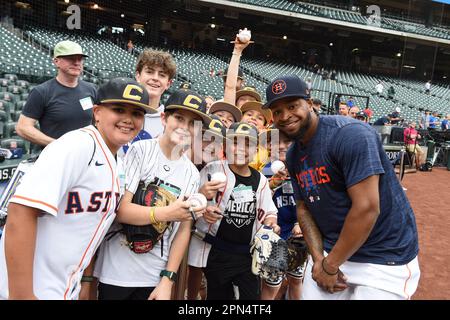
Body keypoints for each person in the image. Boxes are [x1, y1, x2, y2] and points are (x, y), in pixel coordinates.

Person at [263, 75, 420, 300]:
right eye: (277, 111)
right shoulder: (294, 154)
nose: (285, 116)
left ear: (309, 102)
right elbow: (304, 209)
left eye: (292, 106)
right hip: (332, 251)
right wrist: (319, 261)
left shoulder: (350, 134)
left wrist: (329, 266)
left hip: (384, 256)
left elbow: (366, 208)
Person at [0, 78, 152, 299]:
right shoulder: (76, 146)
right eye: (119, 109)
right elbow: (20, 212)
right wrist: (22, 295)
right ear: (97, 112)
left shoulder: (118, 160)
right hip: (30, 287)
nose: (128, 119)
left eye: (137, 113)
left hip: (63, 285)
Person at [93, 89, 210, 300]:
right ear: (164, 117)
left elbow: (183, 230)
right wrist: (167, 212)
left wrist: (168, 279)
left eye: (193, 123)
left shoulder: (192, 172)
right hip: (116, 270)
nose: (185, 127)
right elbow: (120, 210)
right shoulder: (141, 150)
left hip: (154, 274)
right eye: (179, 118)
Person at [188, 122, 279, 300]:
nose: (241, 149)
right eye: (235, 142)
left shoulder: (260, 179)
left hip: (247, 255)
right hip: (216, 250)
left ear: (256, 151)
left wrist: (271, 225)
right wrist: (204, 207)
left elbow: (269, 212)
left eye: (248, 144)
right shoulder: (212, 169)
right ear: (225, 146)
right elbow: (192, 202)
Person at [16, 40, 97, 152]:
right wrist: (57, 145)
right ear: (56, 61)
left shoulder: (91, 89)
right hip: (54, 158)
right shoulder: (41, 92)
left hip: (85, 155)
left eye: (80, 59)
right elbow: (23, 127)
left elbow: (97, 121)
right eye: (71, 58)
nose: (77, 62)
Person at [135, 49, 177, 139]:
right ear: (138, 76)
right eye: (149, 72)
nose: (155, 78)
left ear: (168, 84)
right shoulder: (120, 113)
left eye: (162, 75)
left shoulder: (171, 123)